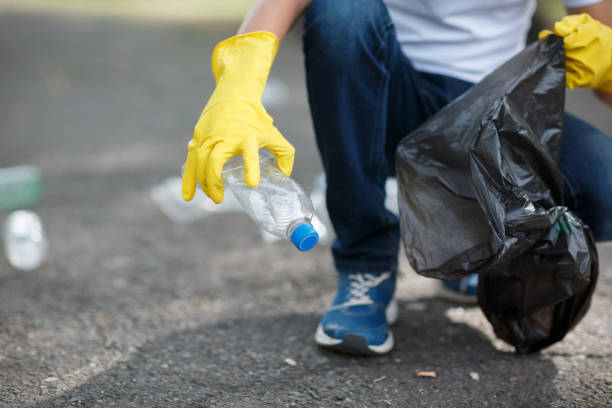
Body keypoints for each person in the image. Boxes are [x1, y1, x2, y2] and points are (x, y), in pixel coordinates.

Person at [181, 0, 612, 355]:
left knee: (601, 181)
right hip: (382, 92)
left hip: (493, 105)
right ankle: (365, 265)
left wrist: (608, 58)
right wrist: (236, 85)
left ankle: (473, 245)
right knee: (340, 11)